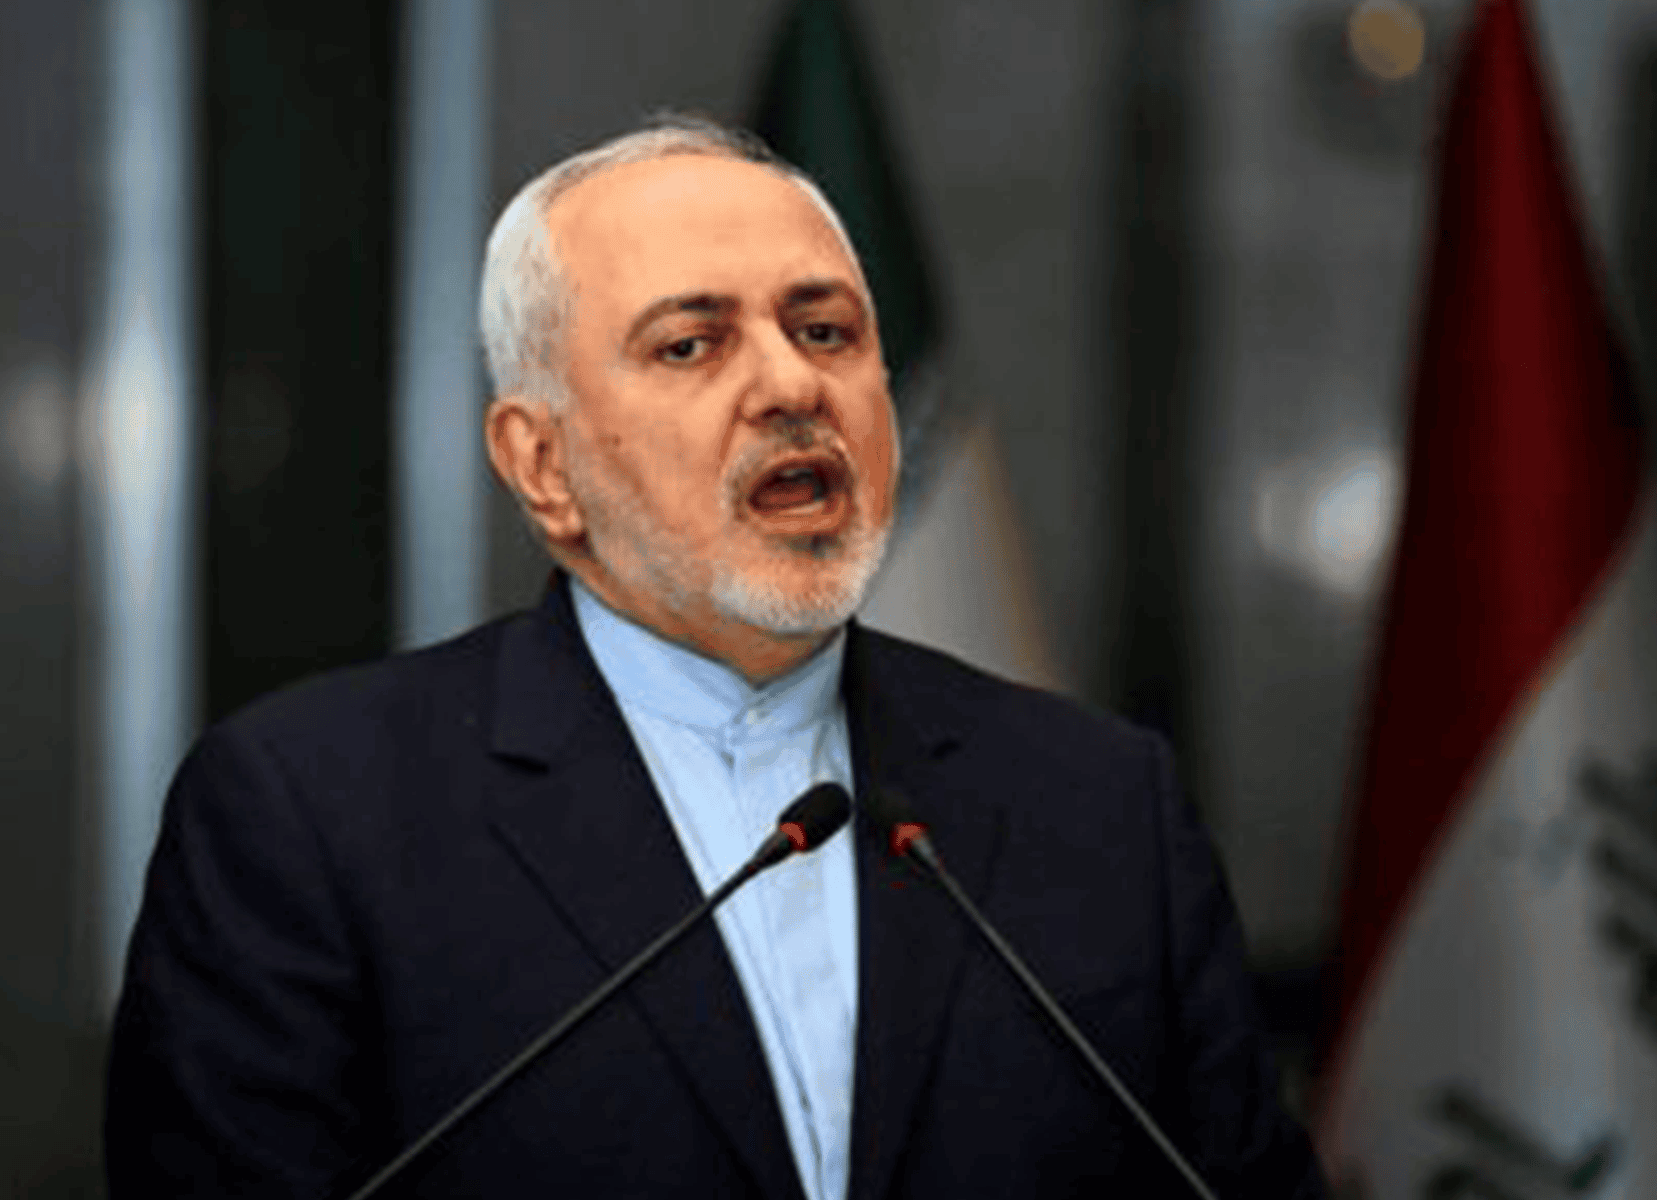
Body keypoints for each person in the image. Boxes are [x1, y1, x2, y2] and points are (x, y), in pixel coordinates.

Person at [105, 116, 1327, 1199]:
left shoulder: (1102, 804)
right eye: (691, 345)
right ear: (542, 465)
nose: (793, 384)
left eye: (826, 330)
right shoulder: (311, 819)